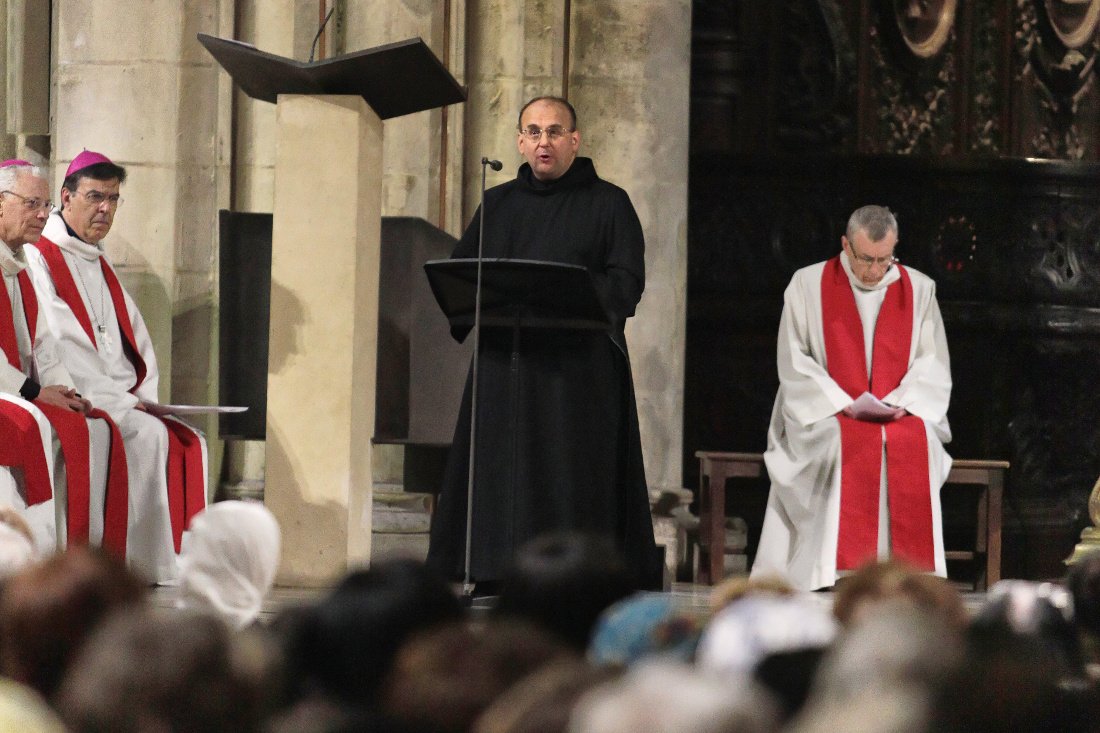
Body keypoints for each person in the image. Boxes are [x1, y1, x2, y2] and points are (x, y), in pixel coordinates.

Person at [427, 96, 661, 590]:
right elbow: (462, 272)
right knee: (501, 472)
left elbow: (627, 281)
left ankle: (576, 576)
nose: (543, 142)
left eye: (554, 132)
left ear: (574, 141)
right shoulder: (499, 204)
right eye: (533, 132)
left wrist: (569, 296)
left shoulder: (609, 203)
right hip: (505, 365)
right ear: (519, 142)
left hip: (578, 372)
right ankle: (491, 568)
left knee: (569, 475)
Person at [25, 150, 207, 583]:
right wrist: (117, 400)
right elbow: (58, 340)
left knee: (185, 438)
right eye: (94, 197)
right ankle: (117, 566)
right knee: (142, 432)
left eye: (113, 199)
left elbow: (133, 340)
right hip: (74, 392)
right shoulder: (39, 255)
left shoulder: (97, 258)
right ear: (65, 198)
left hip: (113, 395)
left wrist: (142, 398)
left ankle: (149, 562)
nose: (104, 208)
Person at [751, 205, 952, 591]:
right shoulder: (807, 285)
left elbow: (932, 362)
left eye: (885, 259)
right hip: (824, 409)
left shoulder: (920, 290)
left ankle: (905, 575)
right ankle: (830, 569)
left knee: (918, 440)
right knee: (835, 440)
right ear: (845, 245)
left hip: (897, 408)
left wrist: (899, 402)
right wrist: (840, 401)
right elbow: (794, 359)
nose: (876, 270)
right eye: (866, 259)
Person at [0, 160, 127, 557]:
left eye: (45, 205)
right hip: (9, 391)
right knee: (34, 422)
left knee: (86, 424)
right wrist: (35, 393)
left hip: (14, 389)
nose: (42, 214)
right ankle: (26, 563)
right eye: (31, 203)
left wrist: (60, 389)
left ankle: (71, 559)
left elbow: (42, 344)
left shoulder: (20, 263)